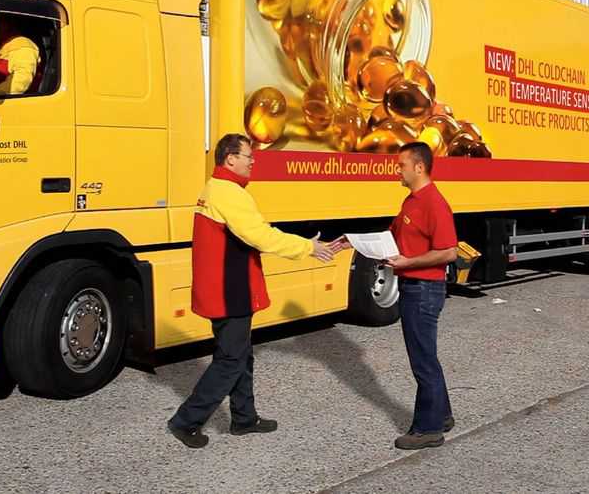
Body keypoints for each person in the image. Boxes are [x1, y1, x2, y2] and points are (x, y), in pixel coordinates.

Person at [168, 133, 345, 448]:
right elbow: (261, 237)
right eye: (248, 156)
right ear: (230, 158)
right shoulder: (229, 193)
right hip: (230, 291)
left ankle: (244, 418)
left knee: (241, 355)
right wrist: (309, 247)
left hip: (224, 289)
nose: (253, 161)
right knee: (230, 360)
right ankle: (186, 421)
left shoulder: (216, 189)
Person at [384, 141, 458, 450]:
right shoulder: (410, 201)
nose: (396, 170)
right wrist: (355, 242)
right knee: (427, 356)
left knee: (423, 361)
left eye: (401, 165)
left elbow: (449, 252)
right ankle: (440, 415)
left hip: (424, 289)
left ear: (419, 167)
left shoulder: (434, 203)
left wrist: (408, 263)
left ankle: (428, 430)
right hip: (412, 287)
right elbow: (392, 236)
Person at [0, 18, 41, 97]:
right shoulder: (2, 44)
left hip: (4, 103)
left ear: (9, 24)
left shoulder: (23, 45)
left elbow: (21, 81)